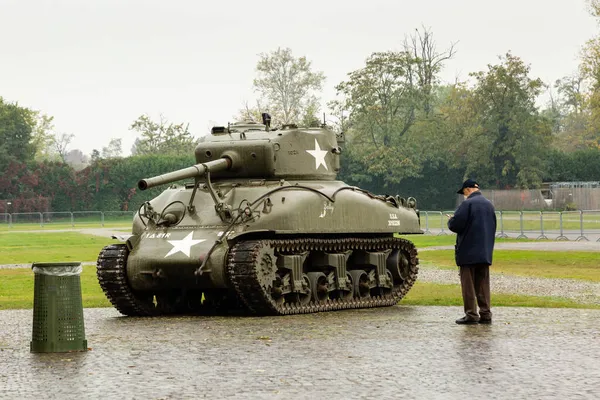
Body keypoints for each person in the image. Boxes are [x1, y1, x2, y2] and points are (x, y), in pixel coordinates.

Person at [447, 179, 496, 325]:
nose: (464, 195)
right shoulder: (489, 205)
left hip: (468, 252)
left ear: (468, 189)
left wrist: (451, 220)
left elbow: (456, 225)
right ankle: (485, 313)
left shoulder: (467, 204)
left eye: (464, 192)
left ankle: (471, 314)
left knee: (468, 285)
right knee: (483, 284)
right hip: (484, 251)